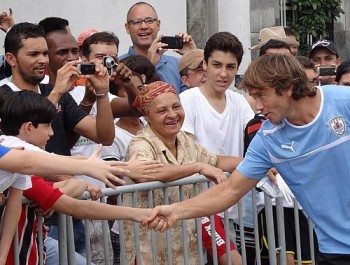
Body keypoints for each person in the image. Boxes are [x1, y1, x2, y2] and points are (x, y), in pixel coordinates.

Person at [146, 54, 350, 265]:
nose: (258, 106)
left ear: (287, 88)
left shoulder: (343, 102)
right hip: (334, 250)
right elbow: (230, 190)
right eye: (254, 97)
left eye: (262, 96)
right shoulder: (268, 138)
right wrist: (176, 210)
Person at [0, 90, 157, 264]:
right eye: (47, 126)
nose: (52, 133)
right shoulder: (15, 149)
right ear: (29, 127)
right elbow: (75, 203)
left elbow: (64, 164)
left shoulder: (17, 156)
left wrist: (121, 167)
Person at [123, 80, 243, 264]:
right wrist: (197, 167)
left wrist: (258, 165)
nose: (172, 115)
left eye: (176, 107)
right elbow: (150, 171)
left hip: (185, 248)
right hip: (150, 249)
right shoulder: (141, 143)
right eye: (162, 111)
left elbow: (217, 160)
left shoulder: (184, 139)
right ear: (147, 116)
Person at [179, 32, 254, 263]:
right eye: (217, 65)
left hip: (231, 204)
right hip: (197, 204)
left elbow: (257, 140)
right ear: (205, 65)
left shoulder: (239, 101)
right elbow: (189, 152)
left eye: (231, 67)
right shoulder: (187, 100)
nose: (224, 74)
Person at [120, 1, 197, 94]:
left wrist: (194, 58)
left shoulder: (177, 65)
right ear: (127, 28)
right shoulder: (120, 66)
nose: (144, 26)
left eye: (149, 20)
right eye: (136, 22)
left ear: (158, 24)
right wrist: (149, 66)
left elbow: (194, 99)